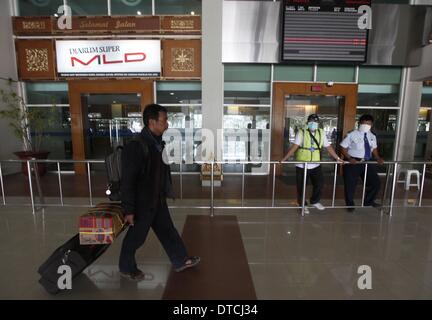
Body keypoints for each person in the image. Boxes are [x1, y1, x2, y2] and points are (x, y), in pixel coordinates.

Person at [119, 103, 200, 281]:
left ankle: (181, 260)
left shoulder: (157, 143)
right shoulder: (136, 146)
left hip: (157, 199)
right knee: (136, 238)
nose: (167, 124)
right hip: (142, 203)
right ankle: (126, 267)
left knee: (168, 231)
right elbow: (128, 181)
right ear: (151, 122)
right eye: (163, 121)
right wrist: (129, 210)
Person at [280, 114, 343, 214]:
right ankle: (302, 205)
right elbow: (295, 146)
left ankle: (315, 201)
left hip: (316, 164)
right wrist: (284, 159)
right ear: (308, 123)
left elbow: (328, 147)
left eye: (315, 122)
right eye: (311, 122)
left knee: (320, 183)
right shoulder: (302, 132)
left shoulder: (321, 133)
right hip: (302, 164)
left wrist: (337, 158)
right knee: (301, 186)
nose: (313, 124)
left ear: (318, 123)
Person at [340, 114, 384, 212]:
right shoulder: (351, 134)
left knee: (375, 183)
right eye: (364, 123)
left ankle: (368, 201)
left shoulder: (372, 136)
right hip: (353, 162)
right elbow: (343, 147)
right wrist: (349, 158)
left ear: (372, 124)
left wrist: (377, 157)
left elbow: (374, 148)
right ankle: (350, 204)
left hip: (367, 162)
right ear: (359, 123)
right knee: (350, 185)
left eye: (368, 123)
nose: (366, 125)